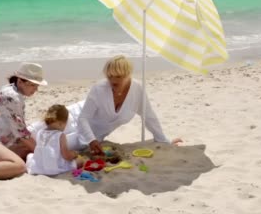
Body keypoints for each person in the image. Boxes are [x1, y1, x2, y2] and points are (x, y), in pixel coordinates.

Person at [29, 55, 181, 154]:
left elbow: (149, 116)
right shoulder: (100, 88)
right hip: (71, 118)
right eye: (110, 76)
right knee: (28, 135)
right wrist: (92, 140)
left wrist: (163, 140)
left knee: (45, 149)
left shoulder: (137, 90)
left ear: (128, 75)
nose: (113, 81)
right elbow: (83, 118)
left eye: (118, 77)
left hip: (91, 136)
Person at [26, 104, 84, 176]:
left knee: (30, 156)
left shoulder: (40, 132)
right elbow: (66, 155)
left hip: (39, 167)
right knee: (80, 161)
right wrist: (74, 154)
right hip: (53, 168)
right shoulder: (60, 135)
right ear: (60, 123)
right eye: (66, 124)